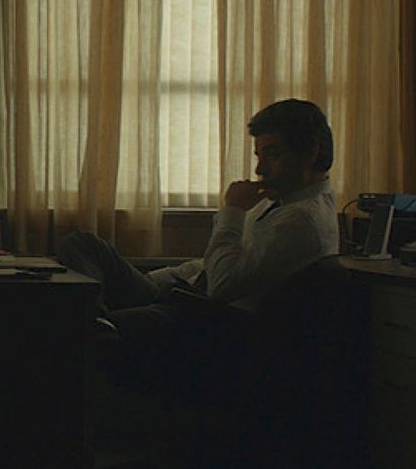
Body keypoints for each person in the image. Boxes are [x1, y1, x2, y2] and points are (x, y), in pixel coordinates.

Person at [56, 98, 340, 382]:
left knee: (77, 331)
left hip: (206, 324)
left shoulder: (302, 221)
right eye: (259, 156)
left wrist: (232, 211)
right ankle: (96, 322)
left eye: (273, 154)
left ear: (310, 153)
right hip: (182, 298)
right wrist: (156, 279)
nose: (260, 170)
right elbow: (210, 265)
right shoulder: (282, 203)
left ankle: (96, 327)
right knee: (83, 244)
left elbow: (221, 285)